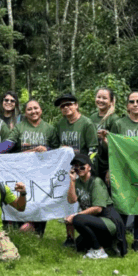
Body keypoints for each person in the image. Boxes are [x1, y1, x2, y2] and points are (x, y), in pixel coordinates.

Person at [103, 91, 138, 252]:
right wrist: (108, 169)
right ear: (127, 106)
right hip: (123, 170)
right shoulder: (119, 124)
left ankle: (137, 240)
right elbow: (112, 148)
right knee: (123, 204)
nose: (135, 104)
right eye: (132, 101)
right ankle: (120, 239)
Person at [5, 99, 60, 235]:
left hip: (42, 173)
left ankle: (38, 230)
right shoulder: (19, 127)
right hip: (22, 171)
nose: (33, 111)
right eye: (29, 109)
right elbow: (8, 144)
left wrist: (46, 149)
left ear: (41, 110)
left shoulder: (49, 129)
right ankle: (20, 227)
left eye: (36, 108)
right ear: (25, 112)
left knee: (40, 200)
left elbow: (56, 151)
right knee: (23, 197)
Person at [53, 93, 97, 248]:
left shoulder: (86, 123)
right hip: (67, 170)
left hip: (83, 169)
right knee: (69, 202)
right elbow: (56, 146)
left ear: (76, 105)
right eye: (62, 106)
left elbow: (93, 148)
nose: (66, 107)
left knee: (86, 203)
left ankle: (90, 234)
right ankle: (70, 237)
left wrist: (88, 168)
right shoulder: (60, 125)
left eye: (69, 104)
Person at [65, 154, 126, 259]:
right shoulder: (78, 182)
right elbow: (71, 200)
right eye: (75, 166)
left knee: (78, 220)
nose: (78, 169)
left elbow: (98, 208)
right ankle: (107, 245)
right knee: (79, 246)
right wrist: (72, 181)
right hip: (96, 220)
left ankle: (98, 250)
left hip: (109, 221)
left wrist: (75, 215)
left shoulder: (96, 182)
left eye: (82, 166)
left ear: (89, 167)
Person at [89, 87, 119, 182]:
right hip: (94, 161)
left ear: (111, 101)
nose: (101, 100)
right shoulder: (92, 117)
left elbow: (116, 147)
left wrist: (111, 169)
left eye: (104, 98)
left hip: (107, 163)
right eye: (99, 97)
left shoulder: (114, 119)